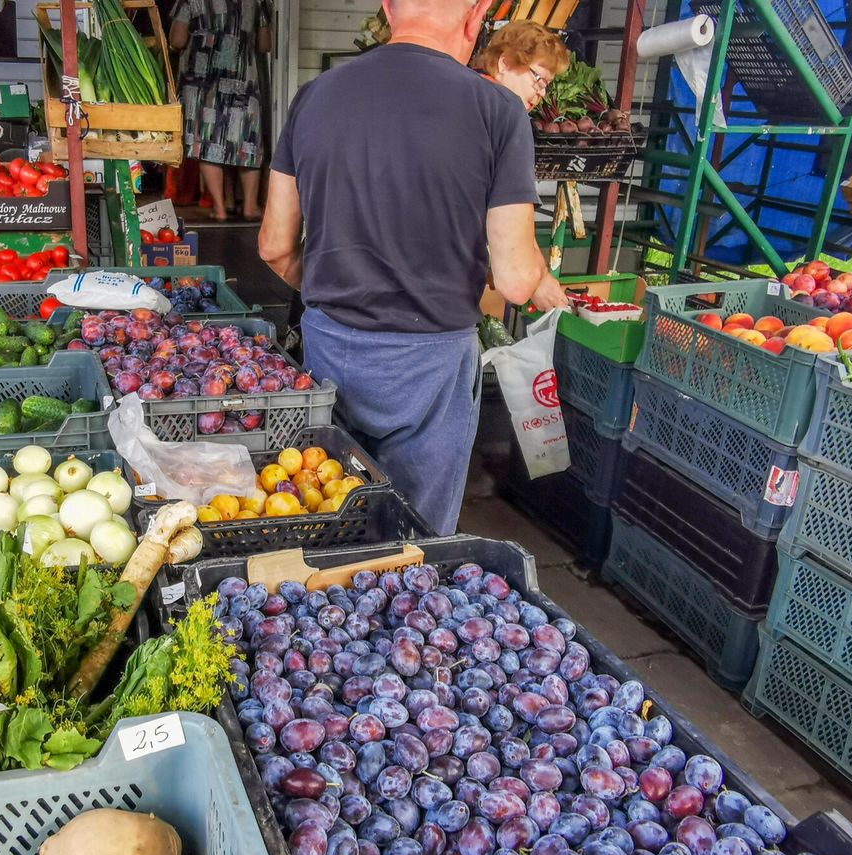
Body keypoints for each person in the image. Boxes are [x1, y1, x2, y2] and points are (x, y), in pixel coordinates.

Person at [258, 0, 570, 536]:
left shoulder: (314, 96)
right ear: (476, 18)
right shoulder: (497, 110)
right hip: (433, 363)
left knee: (329, 513)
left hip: (331, 345)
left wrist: (342, 292)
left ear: (388, 8)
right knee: (416, 543)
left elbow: (274, 246)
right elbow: (517, 280)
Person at [169, 0, 273, 221]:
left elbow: (177, 40)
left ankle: (220, 208)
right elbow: (265, 45)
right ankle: (250, 206)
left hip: (201, 78)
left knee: (207, 141)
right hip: (241, 77)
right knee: (246, 141)